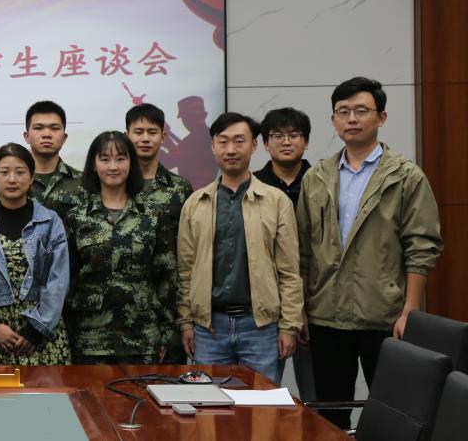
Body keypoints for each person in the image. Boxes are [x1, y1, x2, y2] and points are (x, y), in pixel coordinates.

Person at [296, 78, 442, 428]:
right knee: (331, 413)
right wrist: (300, 307)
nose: (352, 119)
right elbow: (303, 250)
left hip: (385, 315)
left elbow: (422, 245)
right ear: (333, 120)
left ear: (382, 117)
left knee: (393, 412)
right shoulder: (316, 177)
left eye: (361, 111)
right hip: (326, 315)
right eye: (343, 112)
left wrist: (410, 310)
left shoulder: (405, 176)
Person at [176, 112, 302, 384]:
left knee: (261, 406)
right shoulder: (195, 203)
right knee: (210, 406)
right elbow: (185, 271)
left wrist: (289, 326)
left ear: (254, 145)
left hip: (260, 328)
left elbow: (290, 272)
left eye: (239, 141)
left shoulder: (276, 201)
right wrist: (186, 322)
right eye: (223, 142)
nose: (231, 149)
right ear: (213, 147)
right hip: (209, 329)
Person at [64, 131, 175, 364]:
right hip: (89, 339)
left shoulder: (152, 215)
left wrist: (167, 331)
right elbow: (67, 279)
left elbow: (166, 276)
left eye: (121, 159)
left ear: (131, 164)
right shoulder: (77, 217)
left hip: (142, 337)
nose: (113, 166)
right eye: (105, 159)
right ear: (93, 165)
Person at [0, 143, 71, 365]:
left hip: (42, 334)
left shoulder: (50, 222)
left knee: (46, 389)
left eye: (20, 172)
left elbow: (58, 281)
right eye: (4, 172)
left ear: (31, 177)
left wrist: (35, 331)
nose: (12, 179)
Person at [253, 106, 316, 401]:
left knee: (317, 394)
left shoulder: (323, 182)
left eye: (294, 135)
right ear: (265, 143)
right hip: (264, 304)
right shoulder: (252, 185)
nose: (286, 141)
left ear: (306, 142)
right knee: (261, 394)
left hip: (317, 300)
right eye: (277, 135)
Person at [125, 103, 193, 364]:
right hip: (122, 305)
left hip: (169, 305)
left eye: (152, 132)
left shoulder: (180, 189)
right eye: (138, 132)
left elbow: (189, 249)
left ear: (163, 136)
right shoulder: (113, 185)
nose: (145, 138)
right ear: (127, 135)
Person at [23, 100, 81, 220]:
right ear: (27, 136)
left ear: (64, 138)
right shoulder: (12, 182)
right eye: (38, 128)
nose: (47, 134)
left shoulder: (83, 183)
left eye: (54, 128)